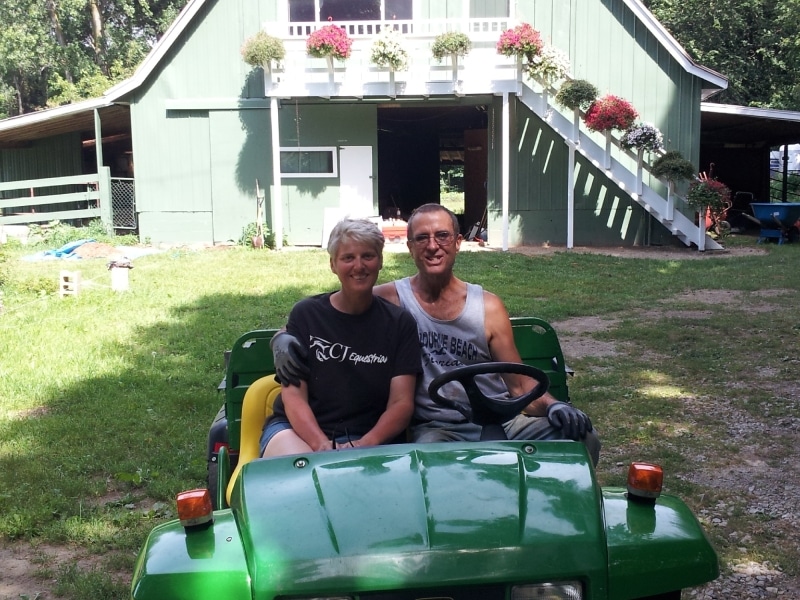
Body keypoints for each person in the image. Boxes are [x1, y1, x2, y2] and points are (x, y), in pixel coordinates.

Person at [273, 205, 600, 465]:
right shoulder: (392, 299)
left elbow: (519, 386)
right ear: (410, 248)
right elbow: (334, 309)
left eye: (442, 236)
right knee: (430, 466)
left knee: (581, 439)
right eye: (422, 238)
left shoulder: (487, 306)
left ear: (458, 242)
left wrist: (555, 406)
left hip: (503, 421)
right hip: (439, 428)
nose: (433, 246)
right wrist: (281, 338)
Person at [260, 218, 420, 457]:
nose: (359, 266)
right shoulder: (306, 315)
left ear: (380, 261)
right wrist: (322, 445)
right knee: (301, 472)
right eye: (348, 258)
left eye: (368, 256)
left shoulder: (400, 323)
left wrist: (365, 443)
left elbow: (401, 403)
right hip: (297, 431)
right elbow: (294, 397)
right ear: (333, 264)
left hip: (373, 436)